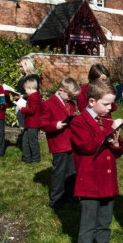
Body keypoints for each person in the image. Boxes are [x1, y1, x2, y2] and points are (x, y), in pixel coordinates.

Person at [70, 78, 123, 243]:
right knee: (88, 226)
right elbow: (87, 145)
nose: (110, 108)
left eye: (111, 104)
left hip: (107, 181)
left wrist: (117, 144)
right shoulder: (79, 122)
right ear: (92, 101)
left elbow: (117, 149)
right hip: (89, 183)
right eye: (106, 104)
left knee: (104, 224)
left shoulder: (106, 119)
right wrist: (111, 131)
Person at [40, 77, 80, 210]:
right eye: (68, 96)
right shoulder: (48, 104)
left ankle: (70, 195)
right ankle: (55, 199)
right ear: (60, 90)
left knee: (71, 171)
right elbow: (42, 123)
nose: (70, 99)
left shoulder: (70, 104)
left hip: (71, 142)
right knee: (59, 172)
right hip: (59, 143)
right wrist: (55, 125)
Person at [17, 78, 42, 164]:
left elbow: (32, 110)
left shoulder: (34, 97)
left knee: (32, 142)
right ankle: (27, 157)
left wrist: (22, 109)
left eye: (26, 89)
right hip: (29, 123)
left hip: (33, 124)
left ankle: (36, 158)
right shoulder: (34, 96)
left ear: (31, 88)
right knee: (25, 140)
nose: (25, 91)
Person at [15, 58, 39, 133]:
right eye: (19, 67)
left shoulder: (33, 77)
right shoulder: (22, 78)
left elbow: (35, 91)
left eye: (21, 66)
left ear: (27, 66)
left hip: (29, 102)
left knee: (28, 125)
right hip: (20, 102)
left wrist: (23, 96)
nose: (20, 69)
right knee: (23, 126)